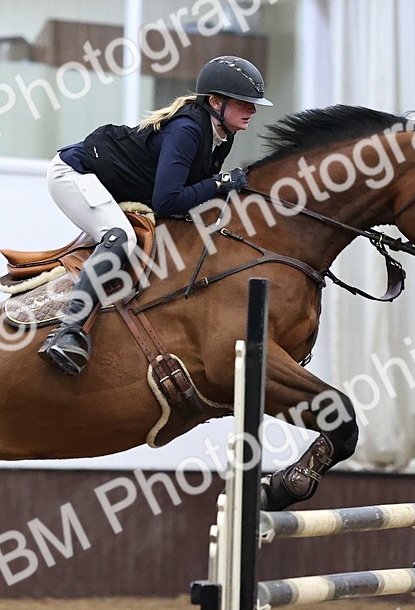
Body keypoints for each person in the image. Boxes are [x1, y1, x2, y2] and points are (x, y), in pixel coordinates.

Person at [38, 55, 273, 376]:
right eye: (245, 102)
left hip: (113, 185)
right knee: (119, 237)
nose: (253, 110)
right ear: (216, 102)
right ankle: (68, 330)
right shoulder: (188, 130)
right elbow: (167, 201)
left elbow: (192, 196)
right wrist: (221, 182)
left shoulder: (222, 136)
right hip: (73, 173)